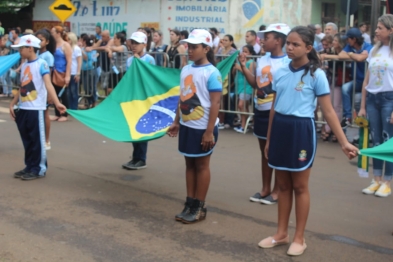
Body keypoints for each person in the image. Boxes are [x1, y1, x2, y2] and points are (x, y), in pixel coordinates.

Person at [258, 26, 358, 256]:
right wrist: (270, 138)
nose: (290, 48)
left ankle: (299, 238)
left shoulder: (316, 75)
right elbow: (275, 106)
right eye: (288, 44)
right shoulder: (281, 71)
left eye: (296, 44)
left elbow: (329, 111)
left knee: (300, 186)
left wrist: (344, 142)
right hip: (280, 129)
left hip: (301, 131)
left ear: (308, 47)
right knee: (282, 185)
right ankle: (281, 233)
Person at [167, 29, 222, 224]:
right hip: (187, 126)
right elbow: (182, 97)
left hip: (203, 128)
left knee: (201, 165)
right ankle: (189, 203)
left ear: (206, 48)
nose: (189, 50)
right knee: (189, 165)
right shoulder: (186, 69)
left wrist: (209, 132)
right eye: (188, 46)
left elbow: (215, 104)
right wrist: (176, 121)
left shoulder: (212, 73)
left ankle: (199, 206)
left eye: (194, 47)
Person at [239, 23, 291, 205]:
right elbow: (256, 84)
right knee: (264, 151)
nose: (261, 40)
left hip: (277, 112)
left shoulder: (288, 63)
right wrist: (244, 67)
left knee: (276, 150)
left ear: (278, 41)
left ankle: (277, 190)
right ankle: (265, 188)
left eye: (266, 37)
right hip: (260, 110)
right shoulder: (262, 60)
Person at [9, 35, 66, 180]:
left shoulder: (42, 64)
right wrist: (13, 103)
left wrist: (57, 102)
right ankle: (29, 166)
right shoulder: (25, 65)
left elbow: (48, 84)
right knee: (27, 140)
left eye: (22, 48)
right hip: (24, 108)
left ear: (30, 48)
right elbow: (22, 86)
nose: (20, 51)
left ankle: (39, 168)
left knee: (37, 140)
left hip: (36, 109)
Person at [359, 14, 393, 198]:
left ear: (391, 30)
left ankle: (387, 181)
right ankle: (377, 179)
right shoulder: (374, 50)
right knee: (376, 141)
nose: (377, 31)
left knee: (389, 142)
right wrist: (363, 105)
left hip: (390, 99)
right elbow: (367, 79)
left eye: (380, 28)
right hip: (373, 98)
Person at [122, 32, 155, 171]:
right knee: (134, 128)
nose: (133, 46)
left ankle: (141, 158)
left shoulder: (149, 59)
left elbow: (150, 77)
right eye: (132, 43)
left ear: (144, 44)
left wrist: (137, 60)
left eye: (137, 43)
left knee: (142, 128)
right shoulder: (129, 60)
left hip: (144, 99)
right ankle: (135, 157)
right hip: (132, 98)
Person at [338, 27, 372, 128]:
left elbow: (361, 58)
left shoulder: (368, 46)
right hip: (357, 81)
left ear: (354, 39)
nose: (347, 41)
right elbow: (340, 55)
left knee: (361, 103)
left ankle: (366, 132)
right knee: (345, 88)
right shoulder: (350, 47)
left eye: (348, 38)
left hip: (369, 82)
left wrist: (353, 55)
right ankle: (347, 117)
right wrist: (354, 55)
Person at [320, 34, 349, 142]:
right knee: (329, 105)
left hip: (339, 81)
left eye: (336, 41)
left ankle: (335, 131)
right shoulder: (330, 51)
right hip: (331, 80)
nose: (333, 42)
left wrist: (327, 57)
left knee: (337, 106)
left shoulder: (344, 51)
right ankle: (328, 128)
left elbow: (343, 57)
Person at [35, 29, 56, 150]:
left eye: (41, 40)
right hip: (35, 89)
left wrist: (49, 93)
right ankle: (39, 138)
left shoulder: (48, 56)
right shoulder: (36, 54)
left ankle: (47, 140)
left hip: (44, 88)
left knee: (45, 113)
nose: (39, 42)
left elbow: (50, 75)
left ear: (47, 42)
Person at [50, 26, 72, 122]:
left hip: (62, 72)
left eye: (53, 33)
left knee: (63, 94)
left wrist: (67, 75)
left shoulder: (65, 45)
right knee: (54, 92)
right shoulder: (53, 45)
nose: (51, 35)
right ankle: (57, 113)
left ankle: (64, 114)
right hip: (53, 71)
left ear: (58, 34)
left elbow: (69, 61)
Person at [216, 34, 237, 130]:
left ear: (231, 42)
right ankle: (221, 120)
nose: (224, 41)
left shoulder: (234, 51)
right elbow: (216, 60)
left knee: (229, 101)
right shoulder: (221, 50)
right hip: (222, 77)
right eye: (223, 40)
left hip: (230, 77)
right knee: (222, 100)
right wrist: (217, 46)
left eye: (226, 40)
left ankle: (229, 120)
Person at [233, 45, 255, 133]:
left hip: (247, 87)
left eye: (246, 52)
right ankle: (245, 124)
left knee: (241, 105)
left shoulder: (252, 62)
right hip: (239, 87)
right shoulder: (240, 61)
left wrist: (240, 68)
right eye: (243, 51)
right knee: (243, 106)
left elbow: (250, 74)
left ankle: (243, 126)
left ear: (251, 53)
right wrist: (235, 69)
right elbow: (233, 73)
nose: (244, 53)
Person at [81, 35, 97, 108]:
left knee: (91, 86)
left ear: (85, 41)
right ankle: (88, 102)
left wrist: (82, 51)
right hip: (83, 70)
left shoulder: (91, 50)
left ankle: (93, 101)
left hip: (90, 69)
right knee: (85, 87)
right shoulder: (82, 49)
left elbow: (87, 58)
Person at [67, 32, 82, 110]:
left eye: (68, 39)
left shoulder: (76, 49)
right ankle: (69, 106)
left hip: (73, 72)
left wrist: (78, 73)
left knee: (73, 91)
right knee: (68, 92)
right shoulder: (67, 48)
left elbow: (79, 61)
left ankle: (74, 107)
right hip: (67, 72)